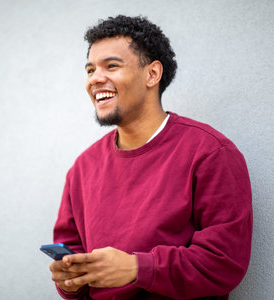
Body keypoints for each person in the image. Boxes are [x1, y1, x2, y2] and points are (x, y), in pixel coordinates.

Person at [49, 15, 252, 300]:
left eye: (111, 66)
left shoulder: (210, 153)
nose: (95, 79)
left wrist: (137, 268)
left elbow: (224, 263)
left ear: (152, 74)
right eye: (90, 69)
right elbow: (70, 257)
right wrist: (69, 281)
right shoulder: (82, 169)